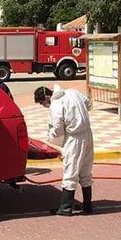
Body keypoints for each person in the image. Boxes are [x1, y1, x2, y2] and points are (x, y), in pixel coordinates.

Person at [34, 85, 94, 216]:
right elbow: (88, 104)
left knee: (70, 171)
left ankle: (66, 208)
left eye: (43, 104)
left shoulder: (56, 105)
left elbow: (57, 130)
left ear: (47, 98)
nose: (45, 106)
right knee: (85, 170)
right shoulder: (73, 92)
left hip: (74, 138)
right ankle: (88, 205)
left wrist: (50, 137)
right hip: (88, 134)